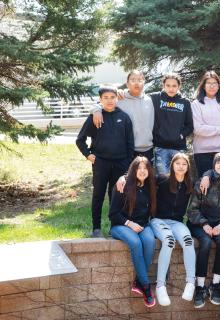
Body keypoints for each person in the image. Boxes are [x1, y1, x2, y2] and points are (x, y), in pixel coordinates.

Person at [116, 153, 197, 306]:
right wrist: (123, 177)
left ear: (188, 167)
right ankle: (160, 286)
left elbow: (211, 179)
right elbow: (141, 175)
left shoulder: (190, 184)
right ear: (172, 165)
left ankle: (191, 283)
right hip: (158, 220)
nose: (180, 166)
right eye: (177, 163)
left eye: (184, 164)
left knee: (188, 241)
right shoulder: (162, 179)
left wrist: (207, 176)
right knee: (168, 241)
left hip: (177, 223)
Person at [76, 86, 134, 237]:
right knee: (98, 195)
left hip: (120, 163)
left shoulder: (124, 117)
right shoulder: (95, 117)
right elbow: (80, 140)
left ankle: (116, 226)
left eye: (112, 97)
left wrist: (127, 163)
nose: (109, 100)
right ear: (100, 100)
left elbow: (130, 143)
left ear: (117, 99)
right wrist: (88, 154)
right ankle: (96, 228)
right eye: (106, 98)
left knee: (117, 195)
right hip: (101, 163)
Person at [187, 152, 220, 308]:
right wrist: (204, 224)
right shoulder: (204, 182)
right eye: (217, 162)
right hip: (200, 224)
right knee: (206, 243)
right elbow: (192, 209)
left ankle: (215, 285)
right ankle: (200, 287)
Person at [108, 156, 157, 308]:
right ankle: (147, 287)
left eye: (145, 168)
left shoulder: (151, 186)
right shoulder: (123, 185)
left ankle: (138, 281)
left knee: (150, 241)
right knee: (135, 243)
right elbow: (113, 214)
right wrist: (130, 224)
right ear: (133, 170)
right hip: (121, 225)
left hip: (142, 225)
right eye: (138, 168)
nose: (142, 171)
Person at [92, 70, 154, 161]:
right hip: (126, 148)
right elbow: (101, 103)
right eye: (133, 80)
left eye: (140, 80)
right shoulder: (120, 98)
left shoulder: (149, 100)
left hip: (147, 148)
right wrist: (96, 110)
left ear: (144, 83)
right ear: (127, 84)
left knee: (146, 175)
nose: (137, 83)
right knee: (127, 175)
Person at [150, 73, 194, 175]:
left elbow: (190, 126)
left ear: (179, 86)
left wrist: (181, 135)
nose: (171, 88)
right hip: (160, 147)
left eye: (174, 86)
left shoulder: (185, 102)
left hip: (178, 147)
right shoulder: (155, 98)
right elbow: (138, 96)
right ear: (163, 86)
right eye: (168, 85)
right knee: (162, 178)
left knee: (179, 176)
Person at [191, 71, 220, 176]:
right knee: (205, 185)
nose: (212, 86)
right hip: (203, 152)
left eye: (215, 83)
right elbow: (198, 129)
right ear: (203, 86)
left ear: (219, 86)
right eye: (208, 83)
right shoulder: (196, 104)